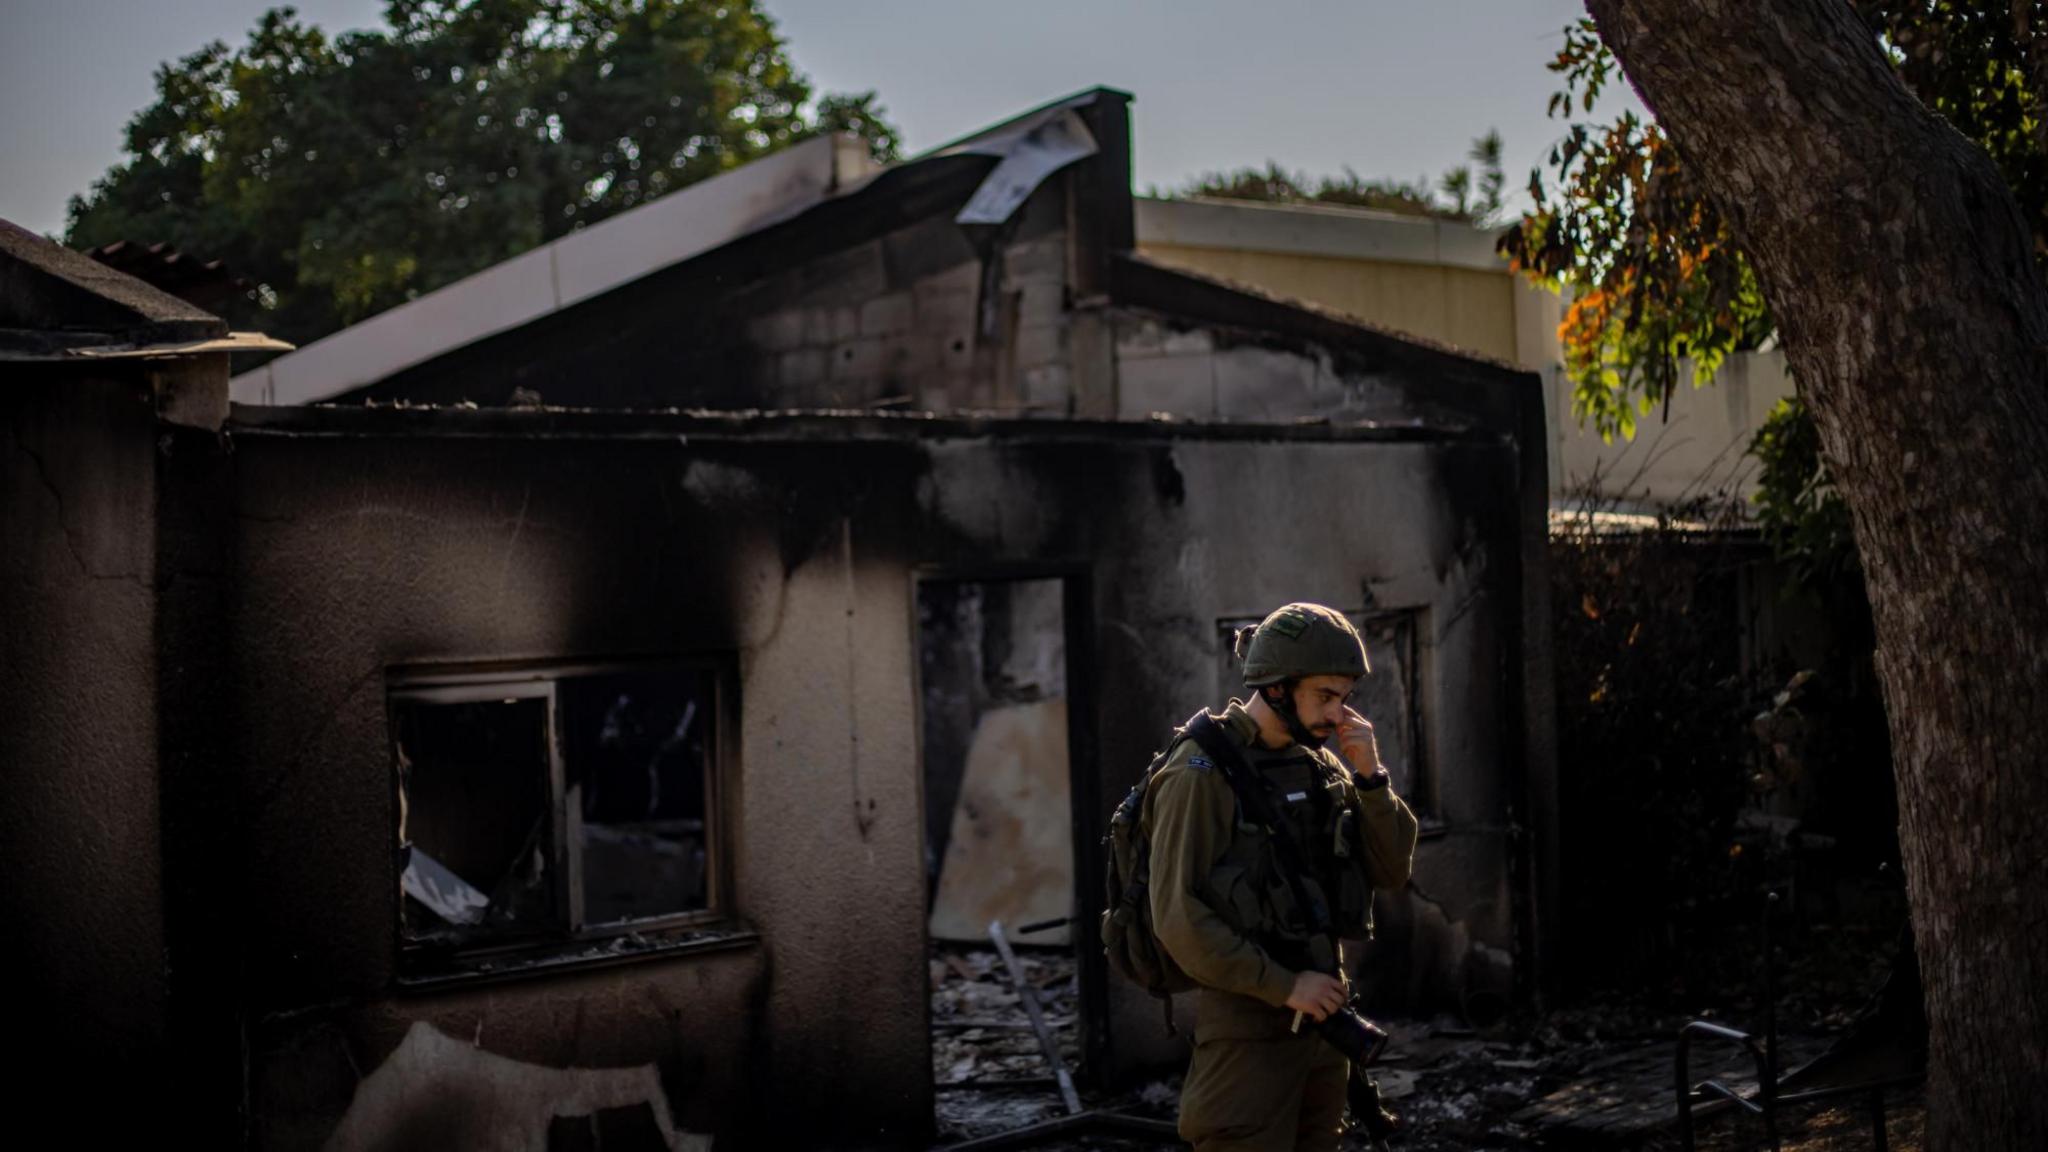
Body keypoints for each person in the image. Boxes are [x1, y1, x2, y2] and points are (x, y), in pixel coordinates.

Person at [1141, 602, 1420, 1152]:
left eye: (1344, 698)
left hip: (1324, 1022)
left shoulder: (1319, 764)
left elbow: (1389, 871)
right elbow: (1176, 913)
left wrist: (1370, 779)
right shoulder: (1199, 772)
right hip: (1249, 1029)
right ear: (1274, 688)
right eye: (1325, 696)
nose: (1339, 715)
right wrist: (1285, 986)